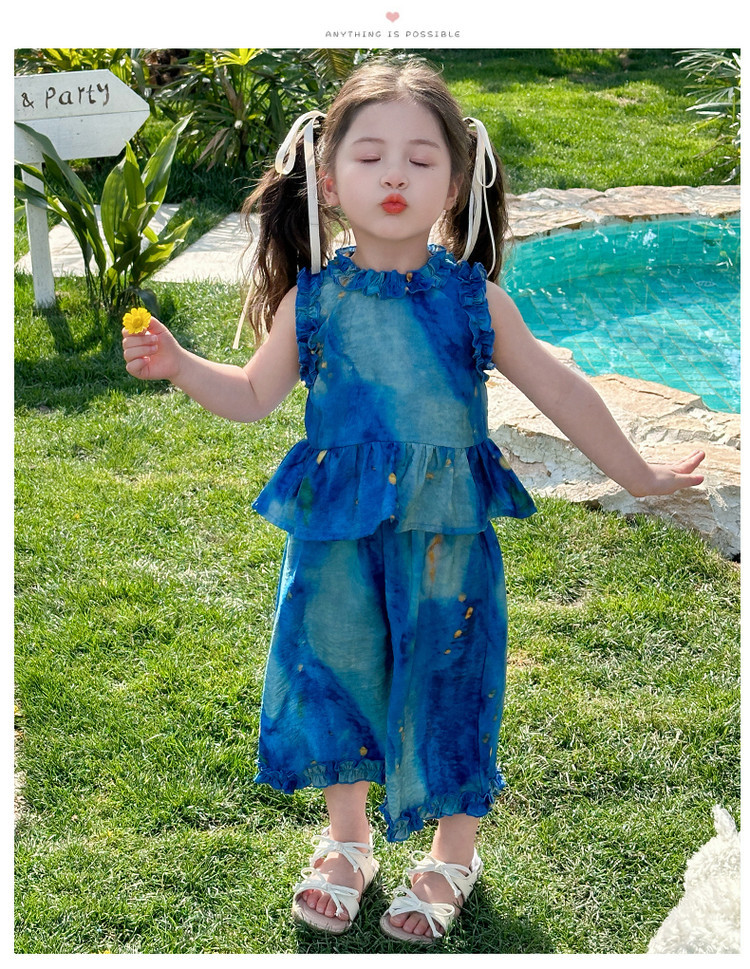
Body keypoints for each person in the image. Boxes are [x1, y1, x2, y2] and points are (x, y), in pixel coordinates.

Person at [122, 57, 705, 945]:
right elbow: (250, 394)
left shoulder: (474, 301)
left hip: (445, 542)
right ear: (328, 179)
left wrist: (637, 472)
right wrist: (178, 364)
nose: (394, 174)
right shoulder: (312, 301)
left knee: (452, 678)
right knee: (337, 669)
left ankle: (452, 855)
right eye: (371, 157)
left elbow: (561, 389)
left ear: (456, 182)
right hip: (337, 537)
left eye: (420, 158)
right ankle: (347, 841)